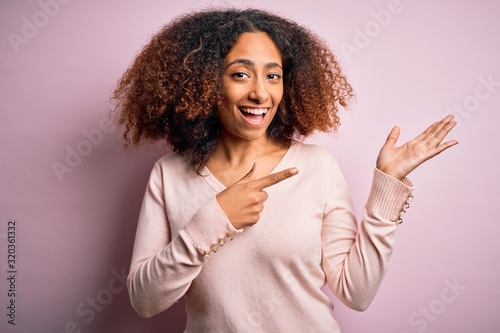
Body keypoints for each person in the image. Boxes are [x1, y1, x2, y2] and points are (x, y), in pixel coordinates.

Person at [113, 8, 458, 333]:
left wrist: (389, 189)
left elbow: (357, 293)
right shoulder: (169, 174)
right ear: (206, 83)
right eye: (240, 75)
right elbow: (145, 302)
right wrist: (214, 220)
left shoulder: (316, 167)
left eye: (273, 76)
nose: (260, 93)